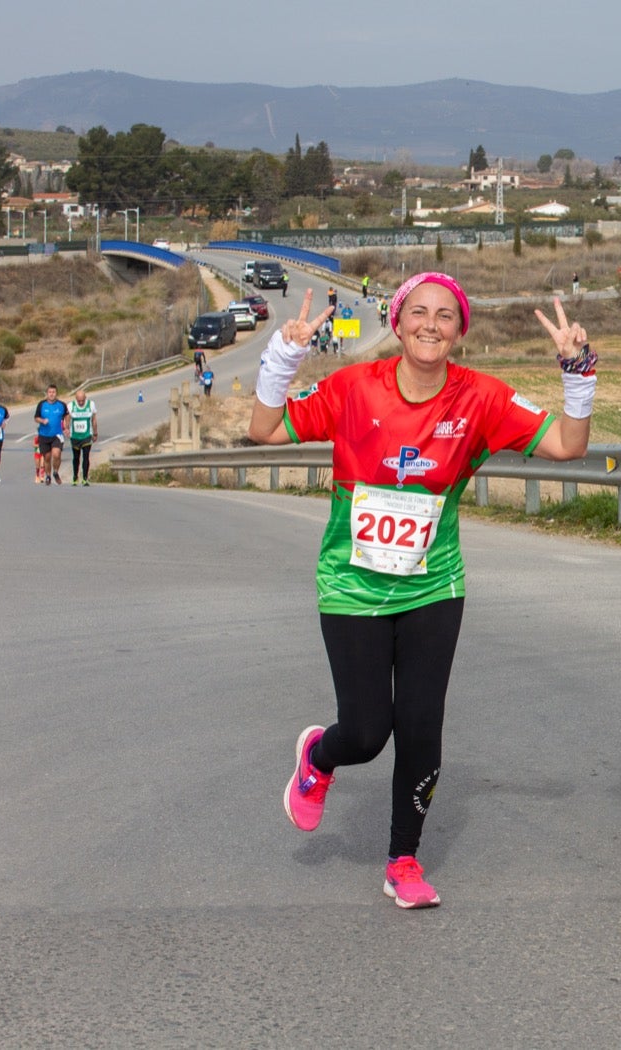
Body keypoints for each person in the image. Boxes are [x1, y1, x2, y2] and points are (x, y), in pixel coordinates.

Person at [250, 276, 597, 909]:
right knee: (365, 731)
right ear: (399, 321)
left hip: (434, 586)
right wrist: (283, 359)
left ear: (460, 330)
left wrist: (578, 371)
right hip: (351, 585)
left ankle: (403, 858)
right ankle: (320, 757)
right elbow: (264, 431)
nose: (430, 325)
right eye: (418, 313)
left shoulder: (481, 398)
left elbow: (571, 446)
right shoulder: (354, 388)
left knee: (420, 726)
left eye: (445, 316)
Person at [34, 385, 68, 485]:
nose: (52, 394)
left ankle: (56, 472)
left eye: (53, 392)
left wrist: (66, 427)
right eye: (50, 392)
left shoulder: (61, 405)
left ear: (56, 393)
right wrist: (42, 420)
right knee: (47, 457)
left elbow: (67, 415)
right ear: (47, 393)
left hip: (57, 434)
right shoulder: (41, 404)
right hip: (44, 435)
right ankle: (48, 475)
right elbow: (36, 418)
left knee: (56, 454)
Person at [67, 388, 97, 485]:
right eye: (78, 400)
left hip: (87, 435)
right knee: (76, 458)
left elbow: (94, 420)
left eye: (82, 400)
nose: (80, 402)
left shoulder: (91, 405)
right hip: (75, 436)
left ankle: (85, 478)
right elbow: (67, 419)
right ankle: (75, 477)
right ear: (76, 399)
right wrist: (66, 429)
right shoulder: (71, 406)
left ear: (85, 398)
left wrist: (95, 433)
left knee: (86, 456)